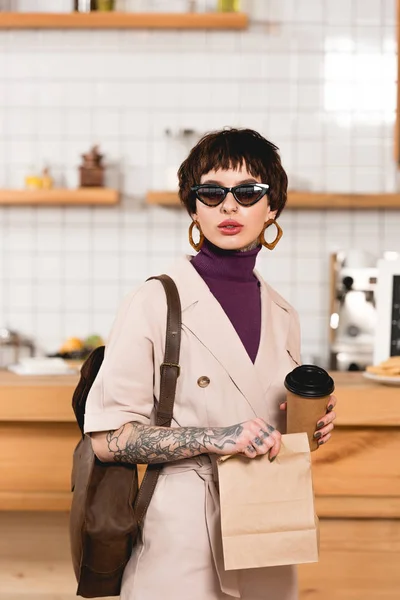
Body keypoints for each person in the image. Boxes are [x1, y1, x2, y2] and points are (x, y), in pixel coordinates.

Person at [84, 128, 337, 600]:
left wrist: (311, 425)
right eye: (212, 192)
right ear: (193, 207)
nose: (229, 206)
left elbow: (272, 425)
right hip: (182, 535)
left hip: (269, 529)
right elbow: (106, 440)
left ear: (273, 207)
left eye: (248, 192)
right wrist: (219, 437)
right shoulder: (154, 300)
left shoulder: (283, 313)